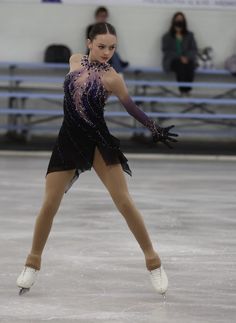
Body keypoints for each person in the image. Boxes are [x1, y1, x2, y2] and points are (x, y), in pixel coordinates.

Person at [16, 22, 178, 297]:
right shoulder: (74, 60)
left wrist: (154, 128)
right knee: (49, 204)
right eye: (101, 46)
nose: (107, 52)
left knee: (124, 202)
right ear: (89, 42)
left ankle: (154, 262)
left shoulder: (113, 78)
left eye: (112, 48)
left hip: (97, 141)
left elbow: (132, 108)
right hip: (68, 139)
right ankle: (32, 263)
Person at [162, 12, 198, 95]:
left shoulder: (190, 35)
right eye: (177, 18)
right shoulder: (167, 36)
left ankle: (188, 89)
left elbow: (194, 49)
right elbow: (166, 50)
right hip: (173, 61)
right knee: (180, 65)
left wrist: (187, 57)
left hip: (187, 60)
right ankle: (182, 90)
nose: (179, 20)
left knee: (190, 64)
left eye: (181, 19)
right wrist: (180, 57)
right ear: (173, 20)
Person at [86, 6, 129, 73]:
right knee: (110, 53)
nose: (103, 18)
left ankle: (117, 71)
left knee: (113, 53)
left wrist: (110, 48)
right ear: (96, 16)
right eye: (101, 16)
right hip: (94, 51)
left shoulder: (109, 29)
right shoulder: (91, 28)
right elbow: (91, 43)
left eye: (104, 16)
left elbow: (113, 42)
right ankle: (118, 70)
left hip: (106, 51)